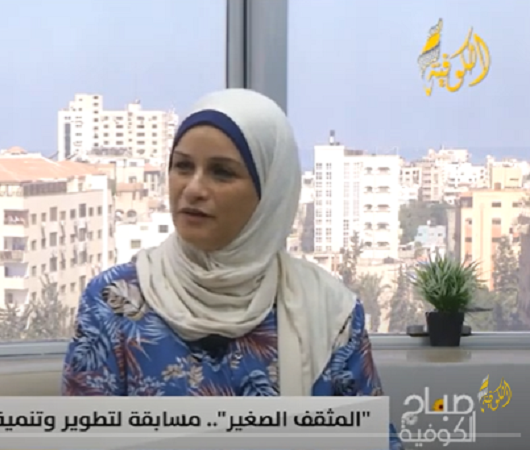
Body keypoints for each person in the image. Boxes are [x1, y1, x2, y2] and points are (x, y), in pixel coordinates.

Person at [61, 89, 403, 450]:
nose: (193, 188)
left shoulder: (329, 310)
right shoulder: (115, 301)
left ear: (269, 193)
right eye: (182, 166)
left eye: (221, 173)